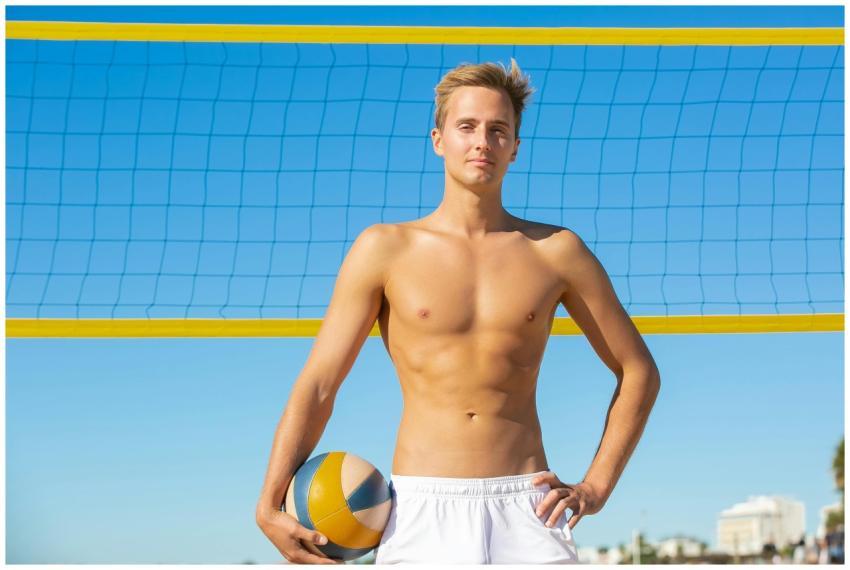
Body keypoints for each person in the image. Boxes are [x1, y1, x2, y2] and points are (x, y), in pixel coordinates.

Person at [255, 59, 661, 564]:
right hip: (419, 508)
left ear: (515, 147)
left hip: (530, 509)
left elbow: (639, 370)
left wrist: (596, 487)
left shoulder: (557, 251)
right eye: (466, 127)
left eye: (498, 130)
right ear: (438, 139)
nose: (482, 142)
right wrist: (269, 502)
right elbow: (319, 384)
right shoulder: (385, 249)